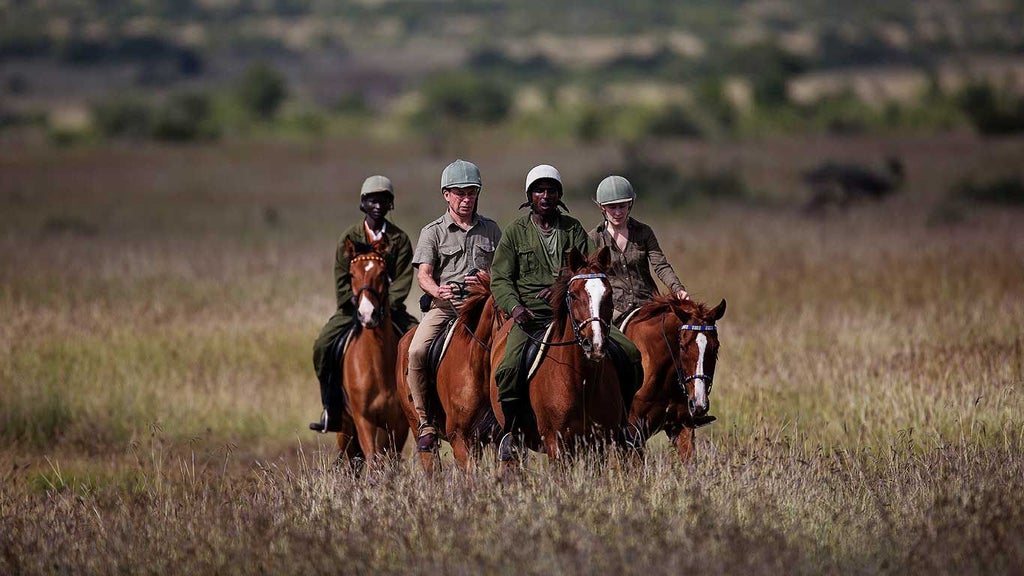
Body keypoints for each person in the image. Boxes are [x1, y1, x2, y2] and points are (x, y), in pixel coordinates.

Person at [490, 164, 643, 459]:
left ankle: (623, 423)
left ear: (559, 195)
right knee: (508, 368)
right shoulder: (514, 232)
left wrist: (561, 288)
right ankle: (511, 430)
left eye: (551, 190)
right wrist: (515, 307)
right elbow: (500, 278)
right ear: (530, 196)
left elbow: (591, 267)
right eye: (539, 190)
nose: (545, 195)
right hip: (532, 317)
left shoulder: (572, 228)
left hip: (577, 314)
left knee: (631, 354)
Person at [309, 175, 418, 433]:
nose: (378, 205)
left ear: (390, 204)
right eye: (372, 200)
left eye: (383, 200)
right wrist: (358, 303)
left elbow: (403, 278)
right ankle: (331, 407)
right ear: (363, 204)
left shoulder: (400, 240)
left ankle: (422, 410)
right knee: (323, 345)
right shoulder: (348, 237)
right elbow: (341, 278)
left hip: (390, 310)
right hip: (353, 309)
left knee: (419, 345)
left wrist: (387, 304)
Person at [407, 159, 502, 451]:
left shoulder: (491, 229)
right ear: (446, 194)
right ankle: (426, 420)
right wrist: (437, 289)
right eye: (459, 193)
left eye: (471, 192)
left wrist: (489, 280)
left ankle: (514, 420)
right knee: (416, 351)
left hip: (484, 307)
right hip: (446, 308)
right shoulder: (433, 231)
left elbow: (502, 270)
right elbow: (423, 274)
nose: (466, 199)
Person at [589, 175, 688, 322]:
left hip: (648, 301)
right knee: (604, 338)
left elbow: (660, 266)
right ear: (602, 207)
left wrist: (677, 289)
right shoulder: (594, 238)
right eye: (612, 207)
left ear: (630, 204)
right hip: (615, 307)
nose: (618, 212)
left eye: (622, 206)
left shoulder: (644, 232)